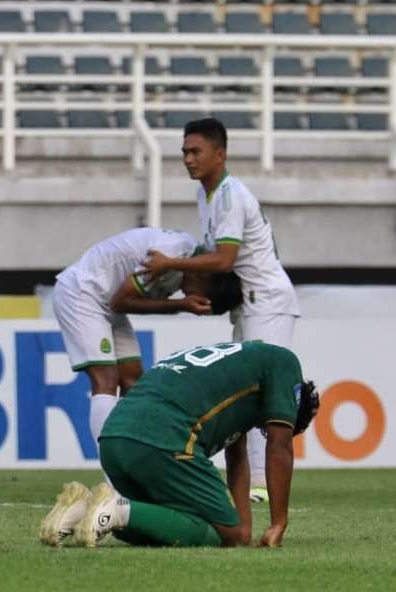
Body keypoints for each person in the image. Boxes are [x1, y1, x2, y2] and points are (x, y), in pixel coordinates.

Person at [143, 117, 301, 503]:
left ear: (220, 154)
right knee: (243, 393)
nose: (188, 159)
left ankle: (263, 485)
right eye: (184, 152)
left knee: (268, 396)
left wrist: (171, 265)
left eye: (196, 151)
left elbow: (224, 258)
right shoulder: (207, 195)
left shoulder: (230, 196)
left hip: (267, 302)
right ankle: (253, 484)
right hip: (247, 305)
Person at [39, 341, 319, 548]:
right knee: (224, 535)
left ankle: (81, 511)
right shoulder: (284, 364)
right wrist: (277, 524)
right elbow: (280, 449)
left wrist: (243, 530)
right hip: (163, 439)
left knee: (156, 527)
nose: (266, 431)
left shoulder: (244, 366)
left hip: (114, 439)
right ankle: (118, 509)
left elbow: (237, 456)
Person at [52, 227, 241, 451]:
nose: (190, 297)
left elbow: (118, 303)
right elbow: (119, 302)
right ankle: (113, 476)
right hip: (82, 292)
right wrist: (180, 306)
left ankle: (132, 458)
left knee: (134, 383)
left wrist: (181, 305)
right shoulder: (168, 254)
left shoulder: (184, 262)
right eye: (200, 295)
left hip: (108, 303)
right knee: (106, 380)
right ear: (204, 277)